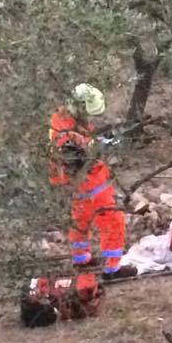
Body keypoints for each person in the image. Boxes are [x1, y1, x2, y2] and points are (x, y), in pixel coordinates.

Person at [48, 83, 127, 275]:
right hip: (91, 182)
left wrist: (97, 141)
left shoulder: (63, 120)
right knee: (112, 220)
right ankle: (112, 267)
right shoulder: (67, 132)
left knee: (80, 221)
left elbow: (81, 143)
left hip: (75, 185)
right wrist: (100, 146)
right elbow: (77, 156)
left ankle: (81, 259)